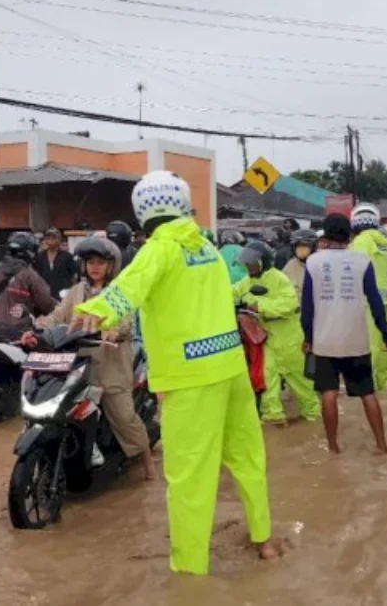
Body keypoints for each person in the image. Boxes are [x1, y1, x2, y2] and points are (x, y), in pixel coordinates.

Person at [71, 171, 277, 574]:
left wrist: (94, 310)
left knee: (189, 480)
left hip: (189, 376)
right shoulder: (208, 248)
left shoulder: (159, 249)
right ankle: (265, 541)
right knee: (248, 459)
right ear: (183, 204)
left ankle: (190, 574)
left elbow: (128, 286)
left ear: (141, 213)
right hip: (230, 367)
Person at [25, 237, 155, 479]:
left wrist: (114, 331)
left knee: (124, 416)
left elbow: (126, 322)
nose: (95, 267)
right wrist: (38, 327)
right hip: (77, 363)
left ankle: (148, 463)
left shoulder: (119, 292)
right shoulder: (75, 292)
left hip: (110, 364)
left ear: (111, 266)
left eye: (100, 262)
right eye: (90, 262)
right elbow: (58, 315)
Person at [302, 213, 387, 454]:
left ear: (325, 233)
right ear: (349, 233)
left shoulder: (313, 262)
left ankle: (333, 447)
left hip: (324, 342)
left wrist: (308, 338)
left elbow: (307, 307)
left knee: (329, 394)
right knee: (367, 393)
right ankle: (382, 445)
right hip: (357, 341)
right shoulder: (362, 261)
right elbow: (375, 302)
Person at [233, 240, 319, 425]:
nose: (249, 266)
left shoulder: (279, 278)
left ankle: (313, 415)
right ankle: (273, 416)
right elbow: (231, 293)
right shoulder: (247, 281)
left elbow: (290, 304)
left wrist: (260, 306)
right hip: (268, 337)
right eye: (246, 263)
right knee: (267, 377)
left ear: (263, 261)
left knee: (300, 381)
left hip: (289, 336)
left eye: (252, 262)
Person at [0, 231, 58, 340]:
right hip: (20, 333)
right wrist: (60, 307)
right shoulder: (30, 275)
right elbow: (46, 304)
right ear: (30, 252)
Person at [350, 203, 387, 392]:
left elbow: (354, 269)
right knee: (385, 344)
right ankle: (384, 384)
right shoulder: (384, 241)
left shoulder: (360, 242)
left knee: (370, 346)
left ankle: (370, 387)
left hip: (368, 300)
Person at [34, 227, 77, 297]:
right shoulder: (40, 257)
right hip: (45, 294)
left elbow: (74, 276)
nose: (50, 241)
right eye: (48, 238)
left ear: (59, 240)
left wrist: (72, 291)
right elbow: (36, 275)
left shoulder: (67, 256)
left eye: (53, 238)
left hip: (63, 294)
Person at [282, 228, 318, 297]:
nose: (301, 249)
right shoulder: (290, 266)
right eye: (298, 246)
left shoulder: (321, 264)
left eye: (304, 246)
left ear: (313, 247)